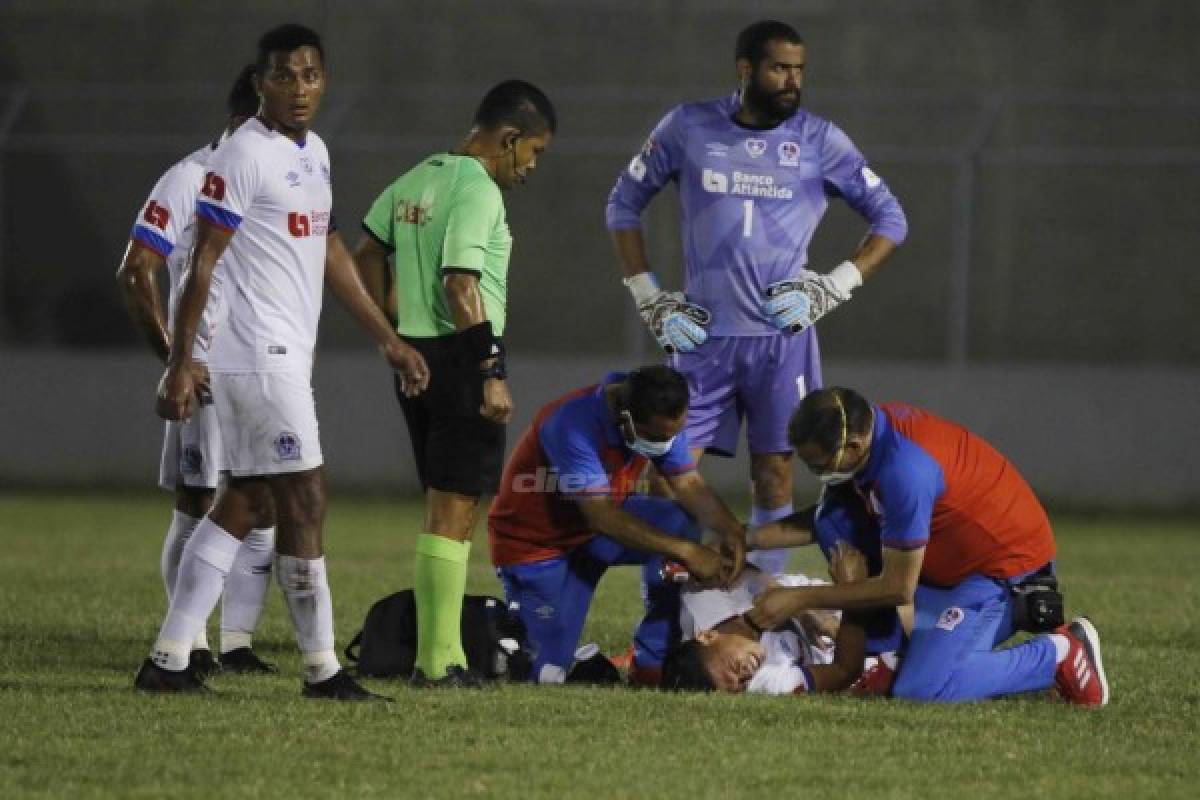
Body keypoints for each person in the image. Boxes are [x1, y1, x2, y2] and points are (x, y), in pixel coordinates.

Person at [135, 24, 430, 700]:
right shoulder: (242, 156)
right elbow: (200, 264)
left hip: (284, 358)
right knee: (305, 495)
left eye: (310, 75)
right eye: (284, 76)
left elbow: (327, 250)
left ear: (324, 79)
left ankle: (171, 658)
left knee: (248, 499)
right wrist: (182, 359)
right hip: (254, 355)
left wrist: (387, 337)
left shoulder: (314, 153)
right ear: (260, 81)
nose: (299, 89)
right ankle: (322, 668)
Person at [605, 19, 908, 576]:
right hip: (700, 338)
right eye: (779, 68)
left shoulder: (820, 140)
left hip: (782, 342)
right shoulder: (688, 127)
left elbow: (892, 218)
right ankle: (665, 616)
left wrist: (833, 286)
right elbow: (623, 203)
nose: (793, 81)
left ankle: (766, 601)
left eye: (799, 70)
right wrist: (648, 295)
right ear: (745, 69)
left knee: (774, 474)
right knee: (666, 473)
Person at [353, 80, 555, 687]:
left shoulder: (417, 177)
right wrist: (489, 370)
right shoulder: (477, 189)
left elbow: (366, 251)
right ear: (510, 138)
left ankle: (444, 655)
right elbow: (461, 284)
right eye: (535, 151)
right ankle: (437, 663)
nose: (533, 166)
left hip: (418, 359)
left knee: (447, 510)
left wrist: (393, 326)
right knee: (453, 514)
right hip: (464, 360)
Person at [745, 387, 1110, 706]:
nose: (817, 474)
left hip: (1002, 573)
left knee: (924, 688)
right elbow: (821, 520)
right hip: (950, 565)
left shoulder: (905, 472)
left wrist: (801, 599)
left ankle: (1060, 654)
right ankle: (891, 656)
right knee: (834, 520)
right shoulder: (873, 433)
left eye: (819, 465)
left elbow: (897, 588)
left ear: (853, 445)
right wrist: (745, 537)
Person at [117, 65, 276, 676]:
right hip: (211, 368)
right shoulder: (190, 178)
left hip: (261, 366)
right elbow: (137, 271)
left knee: (264, 499)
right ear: (245, 118)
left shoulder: (262, 180)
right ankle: (195, 646)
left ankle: (235, 645)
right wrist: (178, 361)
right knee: (199, 499)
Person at [488, 366, 747, 685]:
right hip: (538, 547)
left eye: (674, 435)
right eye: (657, 438)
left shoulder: (654, 411)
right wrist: (688, 552)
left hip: (592, 533)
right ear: (624, 420)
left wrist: (732, 530)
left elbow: (688, 484)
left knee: (679, 521)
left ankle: (652, 659)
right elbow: (600, 515)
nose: (666, 445)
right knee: (544, 673)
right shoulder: (571, 424)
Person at [662, 542, 871, 694]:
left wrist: (800, 606)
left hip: (824, 597)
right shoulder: (764, 684)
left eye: (734, 667)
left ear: (707, 636)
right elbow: (843, 671)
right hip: (855, 637)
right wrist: (852, 592)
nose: (746, 674)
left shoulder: (700, 599)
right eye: (740, 686)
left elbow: (723, 556)